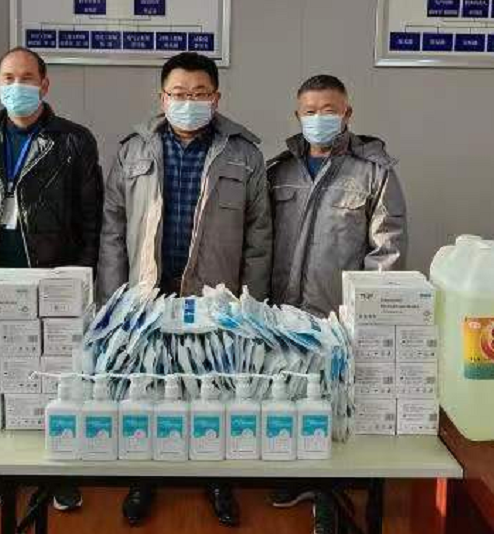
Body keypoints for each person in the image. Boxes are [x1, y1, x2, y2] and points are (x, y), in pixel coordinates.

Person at [98, 51, 272, 527]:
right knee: (149, 386)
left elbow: (259, 237)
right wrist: (114, 300)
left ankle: (218, 478)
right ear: (162, 97)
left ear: (216, 98)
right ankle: (145, 477)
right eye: (178, 94)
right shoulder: (133, 150)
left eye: (199, 94)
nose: (188, 102)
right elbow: (113, 227)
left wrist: (250, 305)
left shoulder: (244, 155)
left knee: (214, 387)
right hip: (147, 294)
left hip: (215, 296)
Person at [0, 47, 103, 513]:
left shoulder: (74, 140)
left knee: (58, 377)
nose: (15, 86)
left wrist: (81, 281)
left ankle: (61, 472)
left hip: (52, 271)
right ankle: (1, 472)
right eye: (7, 77)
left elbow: (91, 218)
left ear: (44, 84)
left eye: (25, 78)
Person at [267, 74, 407, 526]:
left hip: (338, 316)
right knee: (290, 398)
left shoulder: (374, 172)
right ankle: (295, 478)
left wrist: (363, 317)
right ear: (297, 115)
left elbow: (387, 251)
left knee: (335, 407)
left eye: (329, 110)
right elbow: (260, 241)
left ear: (348, 113)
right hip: (283, 312)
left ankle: (330, 496)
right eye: (310, 111)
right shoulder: (279, 171)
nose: (319, 118)